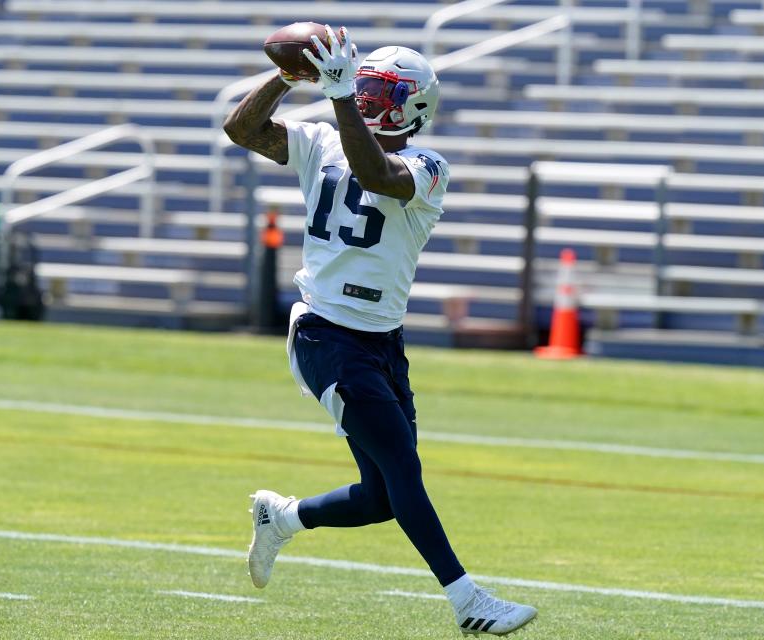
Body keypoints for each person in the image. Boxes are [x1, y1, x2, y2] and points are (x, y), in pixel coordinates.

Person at [224, 25, 537, 636]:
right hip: (326, 333)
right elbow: (242, 131)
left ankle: (282, 518)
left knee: (384, 496)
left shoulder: (428, 165)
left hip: (382, 340)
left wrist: (341, 100)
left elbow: (379, 177)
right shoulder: (321, 139)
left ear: (412, 106)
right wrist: (286, 78)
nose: (363, 92)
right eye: (362, 83)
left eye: (377, 88)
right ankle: (468, 599)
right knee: (404, 471)